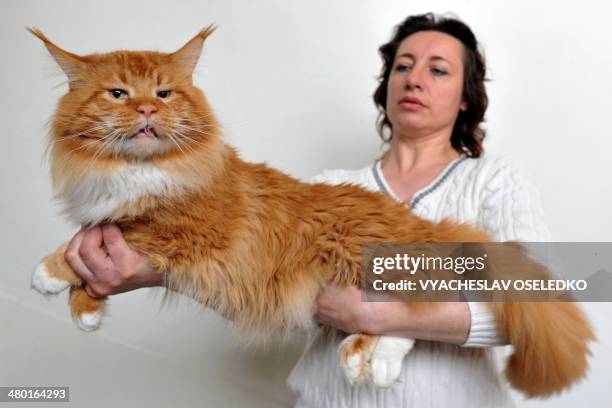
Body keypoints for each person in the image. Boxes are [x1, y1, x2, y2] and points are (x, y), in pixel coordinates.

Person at [65, 13, 551, 407]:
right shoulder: (332, 188)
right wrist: (156, 270)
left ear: (467, 98)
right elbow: (270, 300)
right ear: (385, 86)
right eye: (402, 66)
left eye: (437, 69)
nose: (414, 79)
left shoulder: (494, 179)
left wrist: (386, 318)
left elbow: (553, 294)